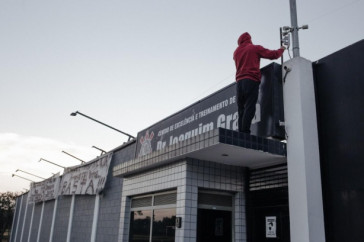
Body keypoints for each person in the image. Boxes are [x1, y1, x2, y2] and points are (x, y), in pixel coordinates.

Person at [233, 32, 285, 133]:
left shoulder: (236, 52)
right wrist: (281, 49)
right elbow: (273, 55)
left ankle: (240, 134)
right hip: (251, 80)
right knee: (250, 107)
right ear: (249, 39)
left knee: (241, 110)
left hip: (239, 82)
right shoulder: (254, 48)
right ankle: (245, 132)